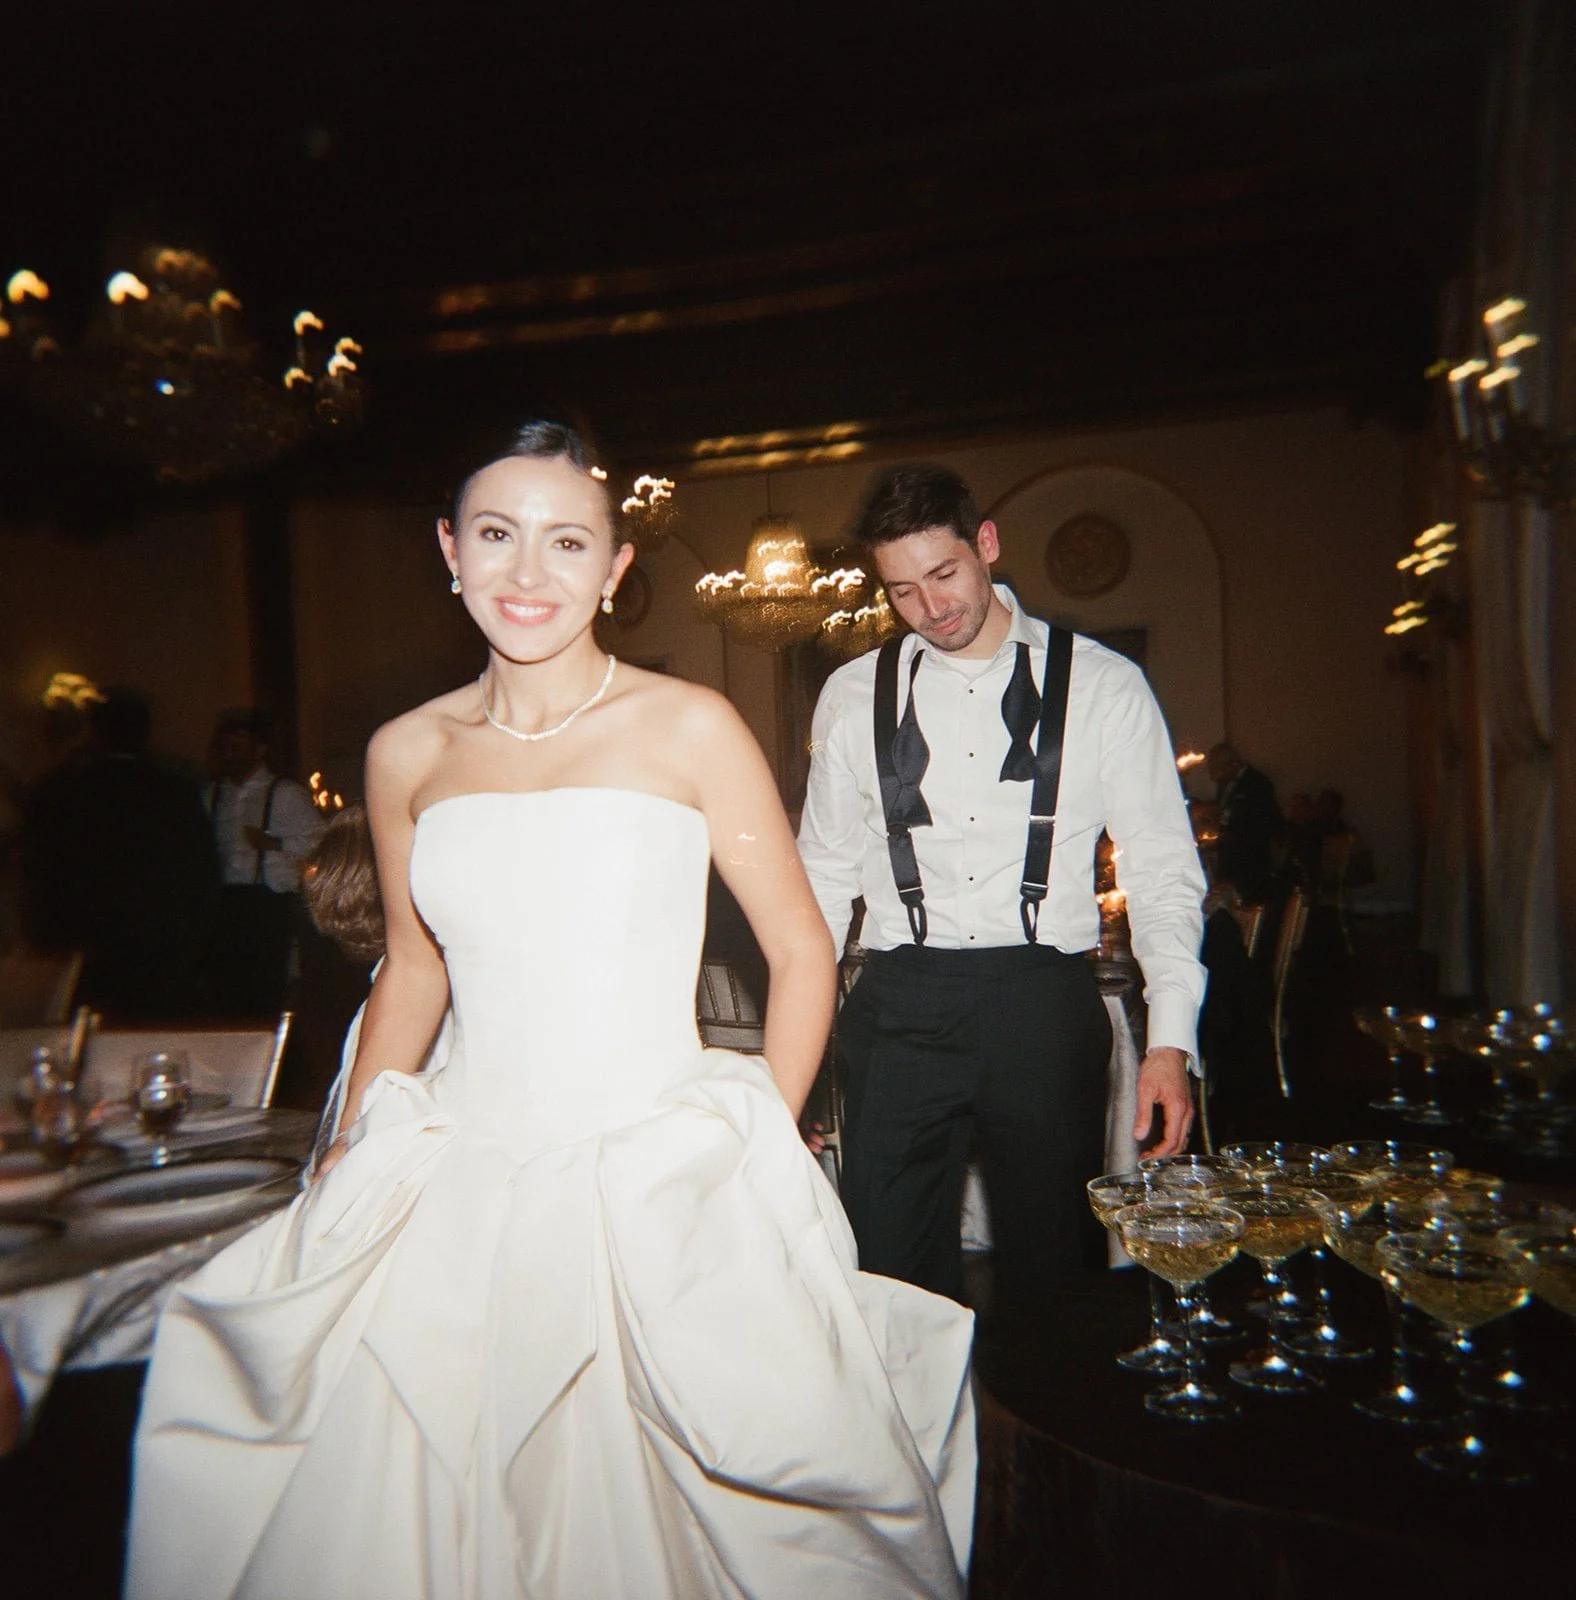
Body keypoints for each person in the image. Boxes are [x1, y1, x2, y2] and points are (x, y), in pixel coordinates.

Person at [126, 423, 976, 1600]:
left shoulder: (689, 727)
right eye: (496, 536)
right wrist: (348, 1137)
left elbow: (799, 945)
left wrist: (759, 1138)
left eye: (566, 541)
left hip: (650, 1159)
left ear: (616, 569)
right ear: (450, 551)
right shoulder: (405, 751)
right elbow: (414, 970)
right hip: (459, 1164)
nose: (528, 575)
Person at [797, 465, 1206, 1318]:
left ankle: (1040, 1444)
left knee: (1051, 1264)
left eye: (943, 575)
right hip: (899, 999)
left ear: (985, 545)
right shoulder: (850, 696)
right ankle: (913, 1448)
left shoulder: (1102, 685)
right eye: (902, 591)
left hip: (1042, 999)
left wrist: (1169, 1040)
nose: (929, 608)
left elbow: (1162, 866)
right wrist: (794, 1063)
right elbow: (823, 881)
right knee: (887, 1269)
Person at [18, 688, 217, 1018]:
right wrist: (191, 944)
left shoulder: (61, 790)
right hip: (156, 945)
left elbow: (38, 870)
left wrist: (44, 940)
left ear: (96, 732)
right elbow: (200, 872)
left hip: (78, 945)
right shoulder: (174, 792)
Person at [204, 708, 325, 1017]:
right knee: (227, 988)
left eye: (238, 747)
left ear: (259, 750)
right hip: (224, 902)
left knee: (266, 988)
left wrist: (275, 843)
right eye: (225, 748)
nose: (230, 755)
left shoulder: (285, 793)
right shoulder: (213, 794)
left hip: (268, 903)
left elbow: (320, 842)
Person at [1205, 741, 1282, 905]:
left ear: (1232, 763)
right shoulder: (1225, 785)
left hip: (1248, 862)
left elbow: (1261, 826)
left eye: (1217, 767)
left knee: (1248, 906)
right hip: (1230, 860)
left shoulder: (1257, 784)